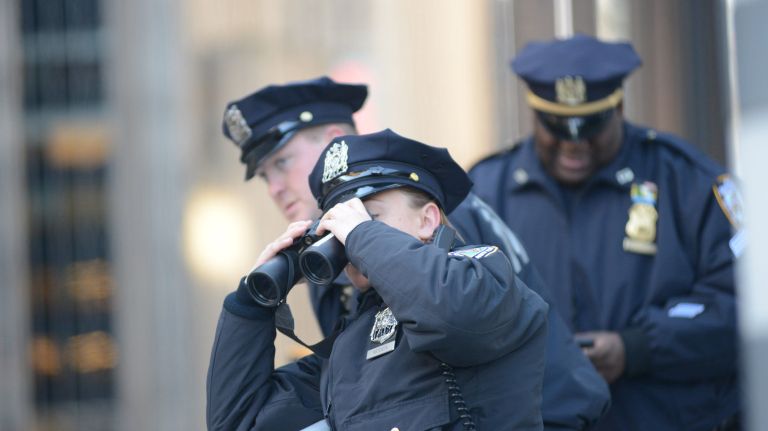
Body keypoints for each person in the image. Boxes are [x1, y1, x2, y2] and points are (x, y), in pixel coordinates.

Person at [221, 76, 610, 430]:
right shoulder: (335, 260)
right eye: (266, 176)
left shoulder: (441, 224)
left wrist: (361, 233)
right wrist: (252, 303)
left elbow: (458, 313)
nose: (274, 188)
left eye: (282, 163)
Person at [469, 34, 741, 431]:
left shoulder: (685, 180)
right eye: (557, 128)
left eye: (590, 127)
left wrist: (637, 348)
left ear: (619, 108)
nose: (574, 145)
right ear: (534, 115)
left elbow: (745, 304)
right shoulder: (486, 190)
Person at [207, 129, 550, 430]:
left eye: (370, 215)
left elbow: (451, 311)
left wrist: (361, 234)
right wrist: (251, 304)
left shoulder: (483, 275)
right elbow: (240, 421)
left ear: (427, 219)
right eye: (337, 227)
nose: (346, 238)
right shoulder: (348, 348)